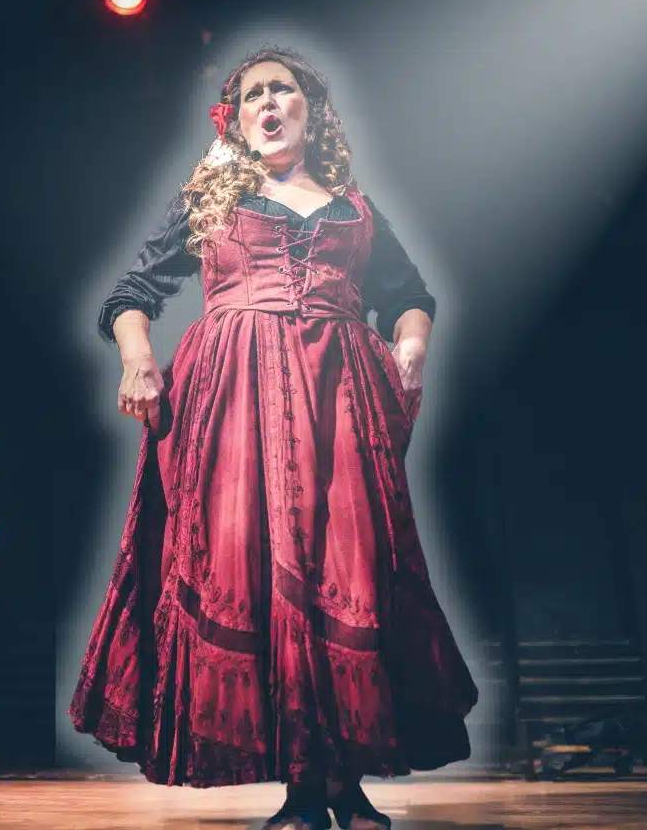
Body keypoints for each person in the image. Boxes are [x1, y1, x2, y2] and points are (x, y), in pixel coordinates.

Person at [69, 49, 478, 830]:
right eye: (252, 92)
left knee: (349, 569)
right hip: (234, 398)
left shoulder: (353, 205)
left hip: (340, 398)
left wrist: (413, 346)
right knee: (255, 572)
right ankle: (300, 787)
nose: (268, 101)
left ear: (310, 109)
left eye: (281, 89)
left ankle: (344, 780)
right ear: (234, 117)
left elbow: (410, 296)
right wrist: (137, 360)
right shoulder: (210, 200)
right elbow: (131, 294)